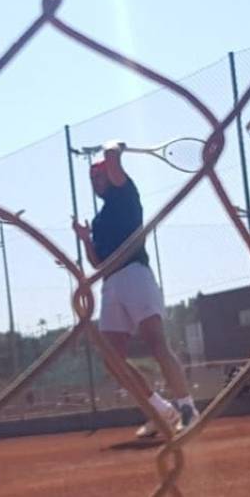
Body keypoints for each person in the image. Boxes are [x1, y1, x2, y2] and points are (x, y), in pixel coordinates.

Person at [72, 141, 197, 438]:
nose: (96, 183)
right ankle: (160, 411)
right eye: (92, 180)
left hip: (136, 276)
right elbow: (98, 262)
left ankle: (188, 409)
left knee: (155, 342)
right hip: (111, 283)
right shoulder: (100, 220)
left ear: (112, 176)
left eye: (99, 177)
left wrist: (113, 147)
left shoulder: (126, 194)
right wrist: (85, 239)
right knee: (112, 359)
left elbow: (113, 157)